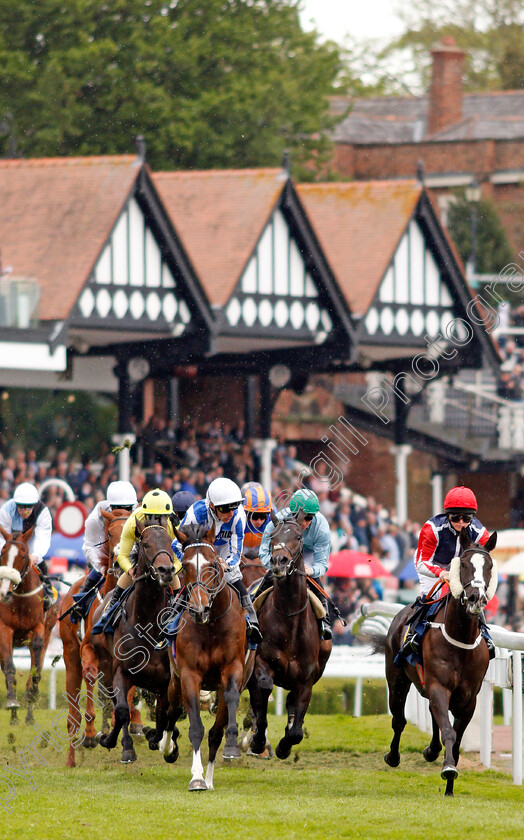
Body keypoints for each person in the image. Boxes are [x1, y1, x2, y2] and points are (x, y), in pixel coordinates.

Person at [400, 486, 495, 658]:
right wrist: (440, 573)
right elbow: (422, 562)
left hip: (461, 565)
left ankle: (486, 636)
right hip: (432, 564)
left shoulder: (481, 534)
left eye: (466, 518)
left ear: (473, 517)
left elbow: (483, 562)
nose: (460, 522)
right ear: (447, 515)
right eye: (455, 517)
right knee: (431, 595)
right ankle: (413, 635)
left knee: (474, 594)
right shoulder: (432, 529)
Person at [171, 477, 262, 643]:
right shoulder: (195, 513)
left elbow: (236, 548)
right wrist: (189, 564)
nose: (231, 513)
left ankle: (252, 622)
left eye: (234, 507)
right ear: (212, 505)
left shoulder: (238, 515)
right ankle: (171, 625)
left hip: (225, 550)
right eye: (226, 508)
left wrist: (226, 563)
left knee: (235, 580)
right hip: (199, 553)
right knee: (194, 581)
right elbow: (176, 545)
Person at [91, 489, 182, 635]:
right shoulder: (132, 523)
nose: (157, 521)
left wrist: (172, 569)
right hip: (142, 551)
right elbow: (122, 556)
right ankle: (109, 610)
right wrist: (129, 569)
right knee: (129, 574)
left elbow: (179, 559)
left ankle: (180, 613)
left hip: (164, 555)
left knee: (175, 578)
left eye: (161, 518)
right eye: (152, 516)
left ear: (168, 516)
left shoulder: (173, 527)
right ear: (144, 514)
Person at [258, 488, 333, 640]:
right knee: (264, 582)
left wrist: (311, 571)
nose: (304, 523)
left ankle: (325, 622)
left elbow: (322, 563)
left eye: (309, 518)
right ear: (291, 513)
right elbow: (264, 552)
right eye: (300, 517)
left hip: (309, 556)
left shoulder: (322, 528)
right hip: (286, 553)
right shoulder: (277, 522)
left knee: (318, 587)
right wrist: (274, 566)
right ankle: (251, 616)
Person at [69, 481, 138, 621]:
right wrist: (102, 567)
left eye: (127, 508)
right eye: (117, 508)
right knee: (97, 573)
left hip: (131, 554)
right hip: (105, 553)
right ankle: (81, 602)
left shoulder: (138, 513)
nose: (123, 512)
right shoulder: (95, 519)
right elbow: (89, 546)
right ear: (110, 506)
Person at [0, 483, 54, 610]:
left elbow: (43, 536)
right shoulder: (6, 510)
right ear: (15, 504)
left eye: (28, 507)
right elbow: (1, 536)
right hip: (10, 546)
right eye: (21, 507)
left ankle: (48, 593)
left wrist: (35, 555)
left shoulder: (42, 511)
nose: (25, 511)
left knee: (41, 566)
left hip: (31, 546)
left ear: (34, 505)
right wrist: (6, 551)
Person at [241, 482, 273, 551]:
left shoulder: (272, 517)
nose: (259, 521)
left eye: (262, 516)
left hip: (260, 549)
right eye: (254, 516)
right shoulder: (237, 517)